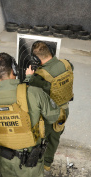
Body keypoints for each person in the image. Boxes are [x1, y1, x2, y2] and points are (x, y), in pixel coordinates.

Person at [0, 52, 60, 177]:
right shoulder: (35, 93)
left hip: (6, 161)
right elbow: (54, 117)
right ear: (14, 69)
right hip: (32, 163)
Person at [24, 41, 74, 171]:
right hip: (64, 110)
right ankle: (47, 164)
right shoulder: (67, 64)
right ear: (50, 51)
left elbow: (29, 91)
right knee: (55, 137)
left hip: (48, 114)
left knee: (40, 139)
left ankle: (36, 166)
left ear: (35, 58)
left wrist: (29, 77)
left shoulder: (41, 76)